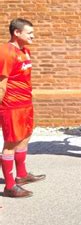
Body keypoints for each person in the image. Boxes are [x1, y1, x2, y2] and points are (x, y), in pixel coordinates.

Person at [0, 18, 45, 198]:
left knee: (25, 137)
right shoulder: (6, 52)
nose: (33, 36)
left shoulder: (25, 51)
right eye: (29, 33)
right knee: (11, 143)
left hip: (25, 103)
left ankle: (21, 175)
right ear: (17, 33)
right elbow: (2, 84)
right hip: (11, 105)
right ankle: (9, 186)